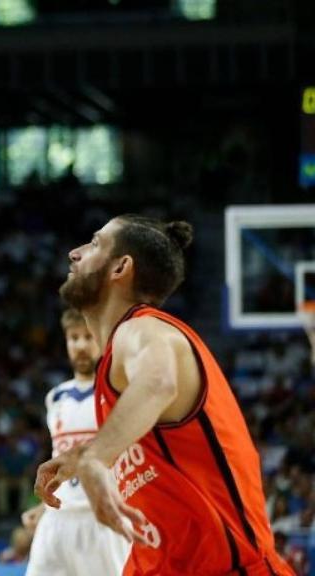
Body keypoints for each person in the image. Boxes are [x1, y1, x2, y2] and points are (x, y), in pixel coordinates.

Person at [34, 215, 294, 575]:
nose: (74, 253)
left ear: (121, 267)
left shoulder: (144, 328)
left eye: (94, 244)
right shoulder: (115, 360)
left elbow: (159, 382)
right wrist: (80, 456)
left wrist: (95, 458)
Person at [22, 309, 130, 575]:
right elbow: (61, 460)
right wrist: (43, 508)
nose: (80, 345)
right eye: (73, 338)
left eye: (87, 337)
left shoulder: (119, 392)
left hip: (103, 517)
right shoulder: (55, 398)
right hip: (58, 518)